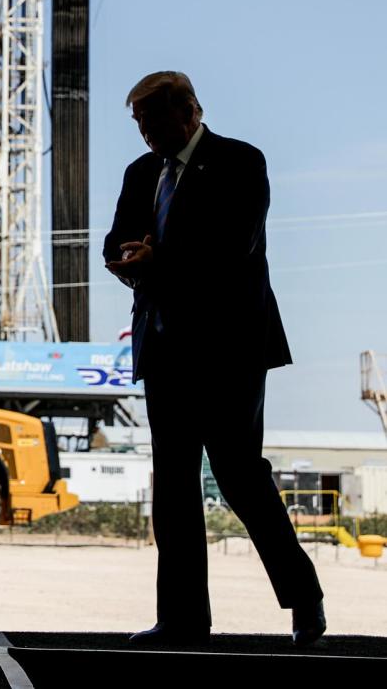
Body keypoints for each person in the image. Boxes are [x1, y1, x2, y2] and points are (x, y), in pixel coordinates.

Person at [103, 71, 325, 647]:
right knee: (174, 486)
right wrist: (127, 255)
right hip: (166, 346)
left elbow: (233, 245)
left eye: (152, 119)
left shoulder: (240, 163)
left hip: (230, 349)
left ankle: (305, 599)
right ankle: (181, 621)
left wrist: (154, 259)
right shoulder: (140, 173)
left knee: (240, 478)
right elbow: (116, 242)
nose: (145, 132)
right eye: (138, 123)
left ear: (191, 112)